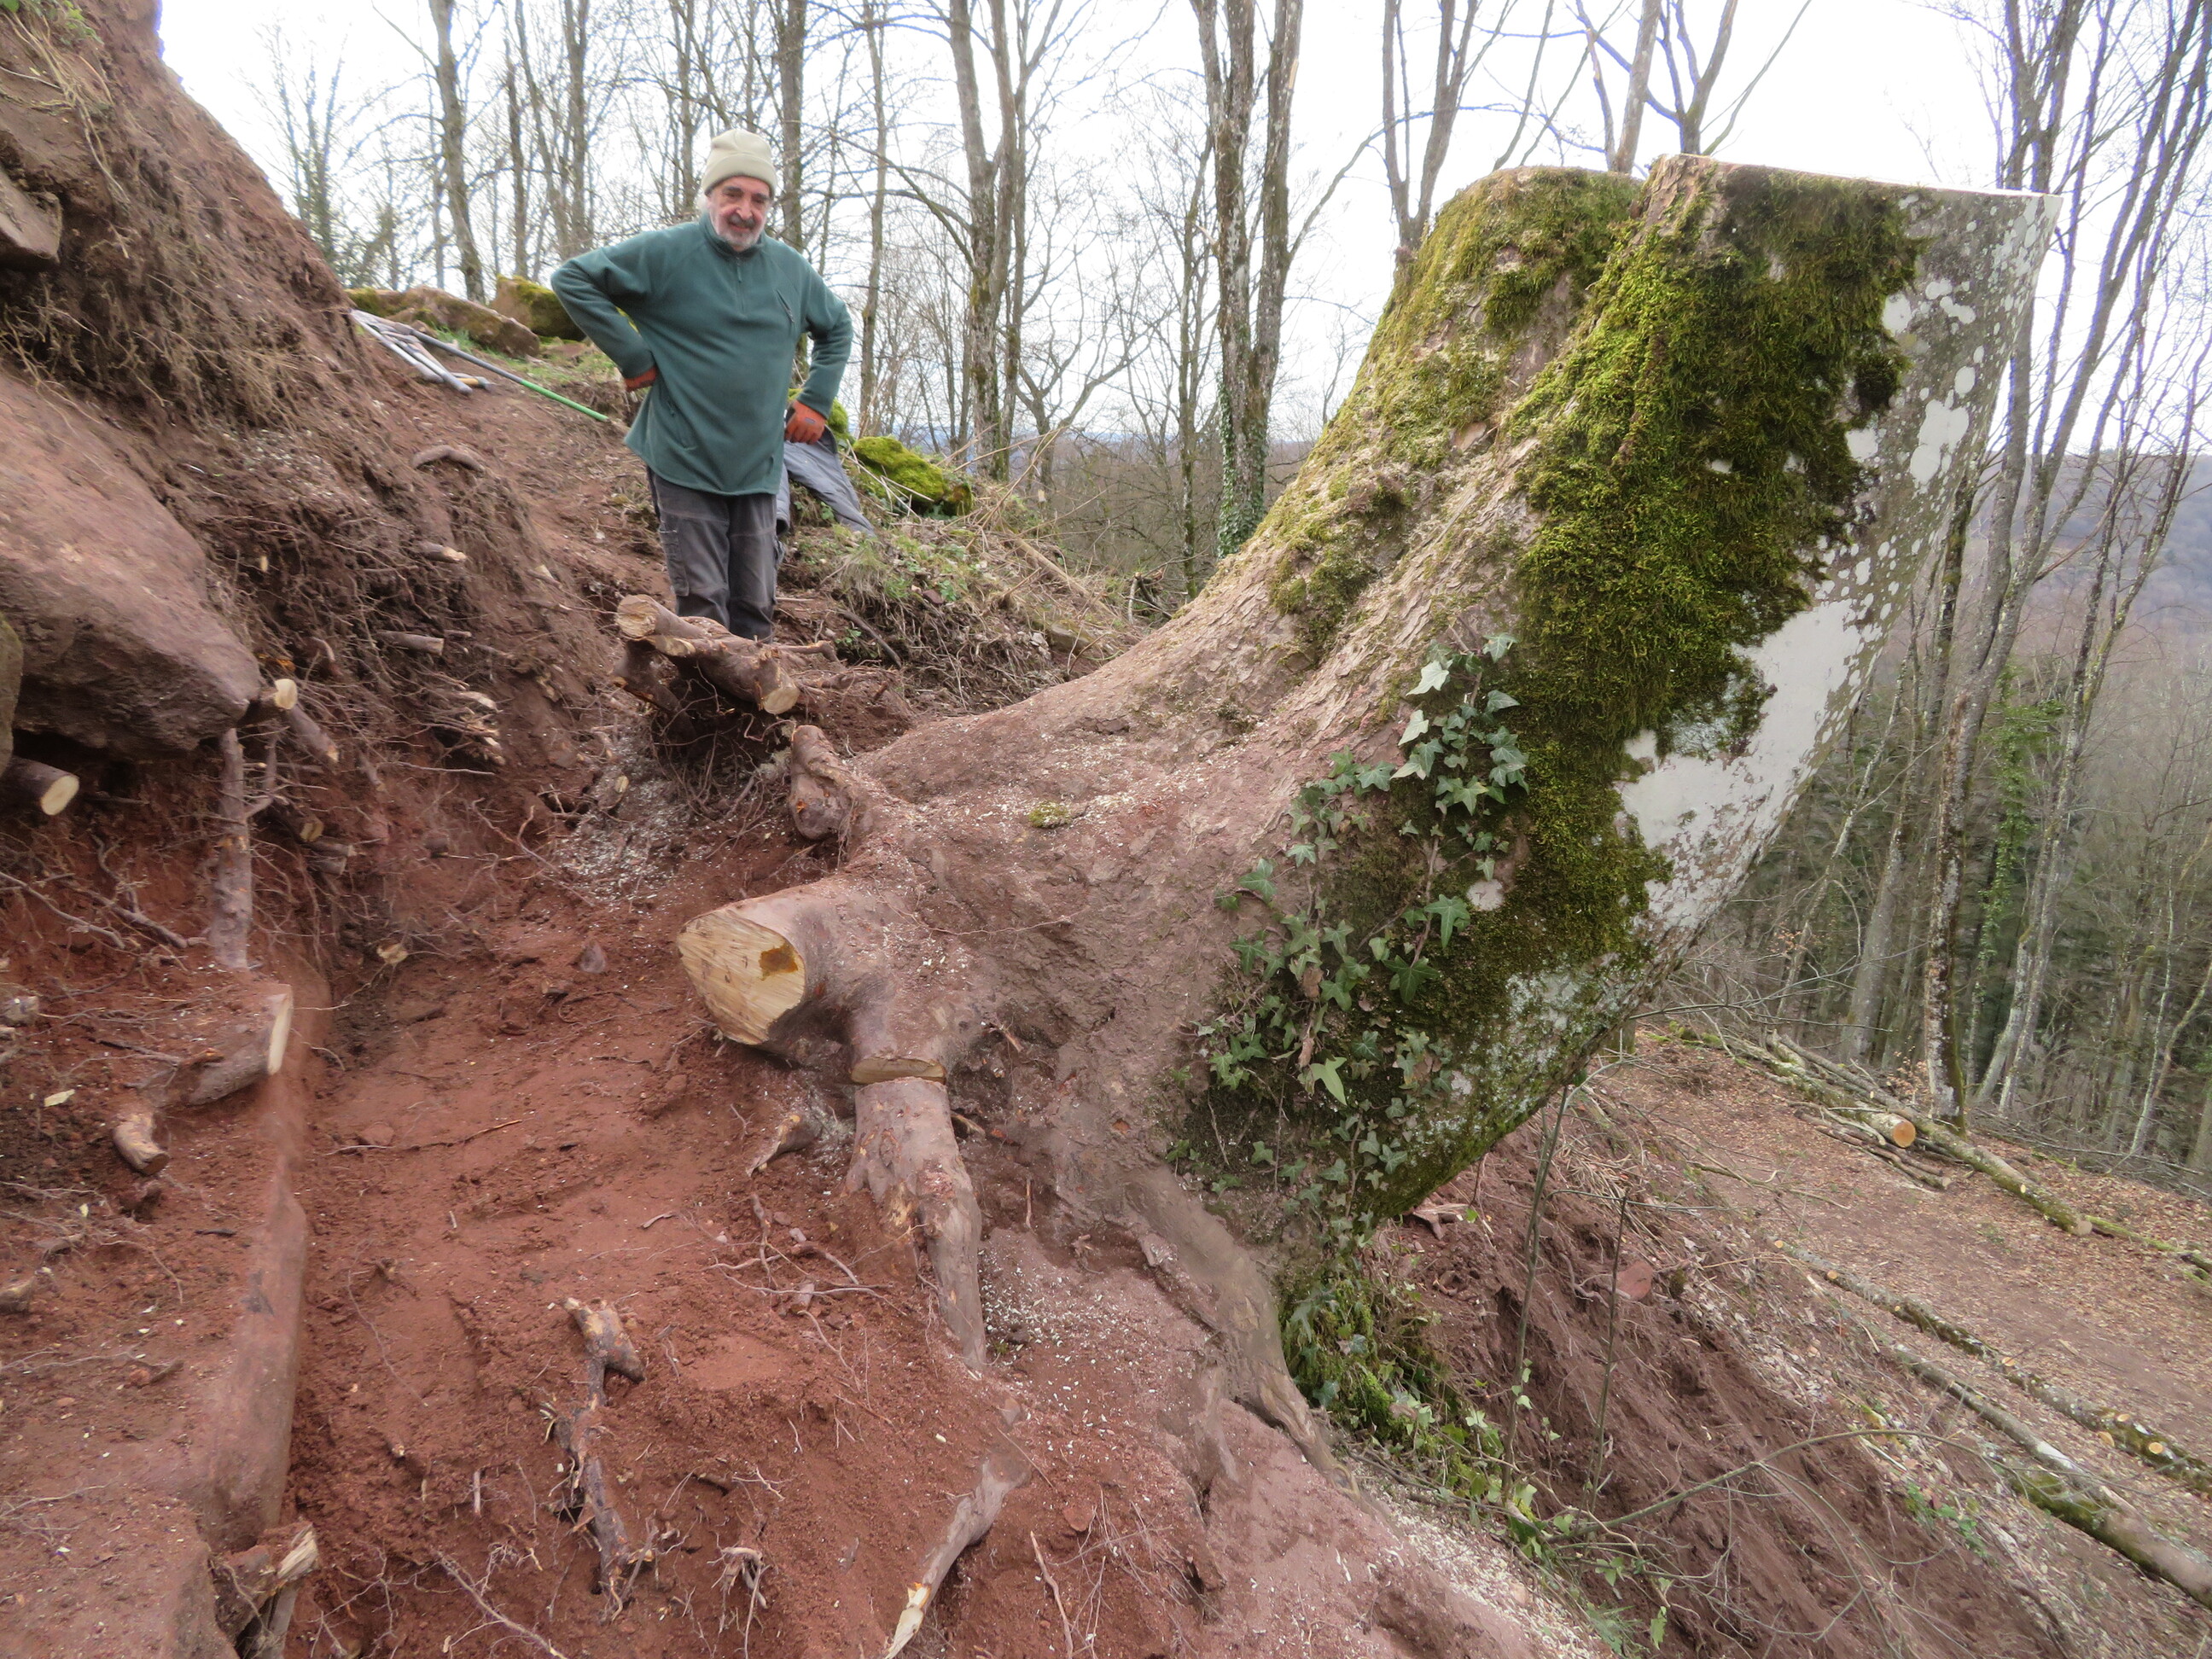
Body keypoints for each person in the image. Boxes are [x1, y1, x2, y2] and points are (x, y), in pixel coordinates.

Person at [551, 130, 851, 641]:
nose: (745, 211)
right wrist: (634, 356)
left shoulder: (790, 269)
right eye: (732, 194)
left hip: (758, 463)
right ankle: (700, 695)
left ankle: (753, 692)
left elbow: (837, 326)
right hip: (684, 454)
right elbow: (572, 279)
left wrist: (816, 401)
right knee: (704, 606)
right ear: (709, 196)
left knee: (755, 608)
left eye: (759, 199)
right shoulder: (667, 253)